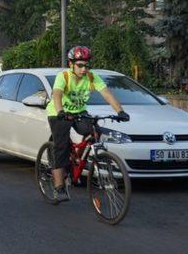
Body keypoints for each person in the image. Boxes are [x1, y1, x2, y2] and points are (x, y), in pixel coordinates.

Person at [46, 46, 130, 202]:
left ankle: (80, 161)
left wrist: (120, 111)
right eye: (80, 65)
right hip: (58, 113)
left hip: (79, 111)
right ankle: (59, 187)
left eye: (86, 65)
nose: (84, 69)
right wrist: (60, 111)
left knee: (94, 131)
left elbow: (107, 95)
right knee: (61, 146)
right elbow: (57, 94)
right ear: (71, 64)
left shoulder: (91, 77)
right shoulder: (63, 76)